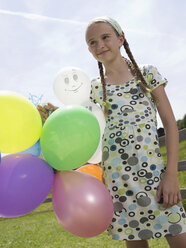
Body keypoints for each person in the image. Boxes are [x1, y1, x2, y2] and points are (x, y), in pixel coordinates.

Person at [37, 16, 186, 248]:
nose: (100, 45)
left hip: (156, 178)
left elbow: (169, 123)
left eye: (105, 37)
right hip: (118, 184)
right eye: (92, 42)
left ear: (120, 39)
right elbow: (81, 124)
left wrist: (171, 176)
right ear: (89, 49)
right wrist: (50, 114)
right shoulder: (94, 88)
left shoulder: (146, 74)